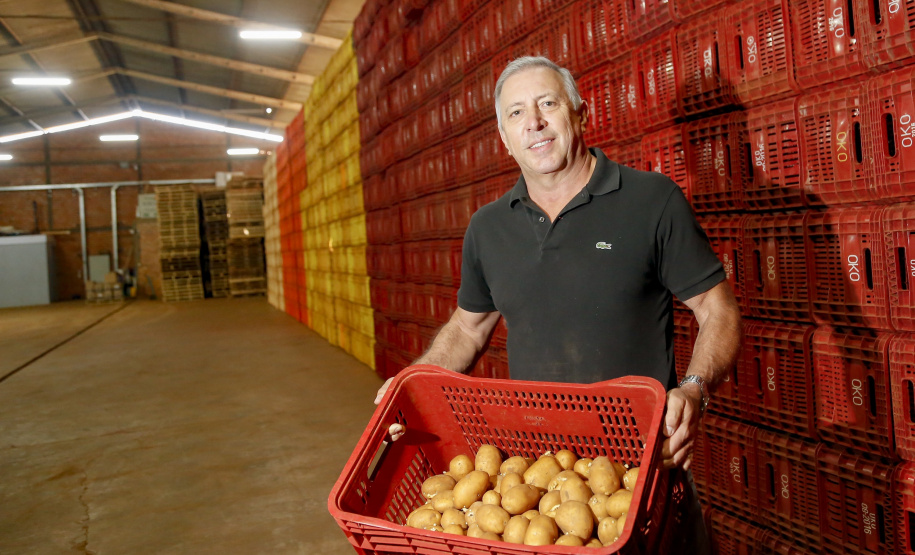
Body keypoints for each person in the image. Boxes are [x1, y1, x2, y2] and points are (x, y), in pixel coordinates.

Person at [375, 56, 742, 551]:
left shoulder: (650, 200)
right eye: (516, 113)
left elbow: (716, 309)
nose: (535, 123)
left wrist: (695, 389)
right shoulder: (488, 229)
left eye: (548, 103)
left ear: (580, 113)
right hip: (542, 479)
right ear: (504, 137)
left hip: (643, 471)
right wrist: (408, 386)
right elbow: (467, 330)